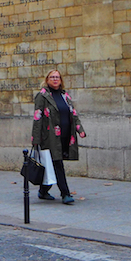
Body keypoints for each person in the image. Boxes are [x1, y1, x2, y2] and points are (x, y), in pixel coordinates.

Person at [31, 69, 87, 204]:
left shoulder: (65, 96)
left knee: (51, 165)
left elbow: (73, 114)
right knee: (57, 164)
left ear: (60, 80)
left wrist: (80, 130)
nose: (55, 79)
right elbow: (37, 117)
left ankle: (43, 191)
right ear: (47, 80)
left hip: (65, 135)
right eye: (52, 77)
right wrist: (36, 139)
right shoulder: (42, 96)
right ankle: (65, 194)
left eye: (57, 77)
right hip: (49, 137)